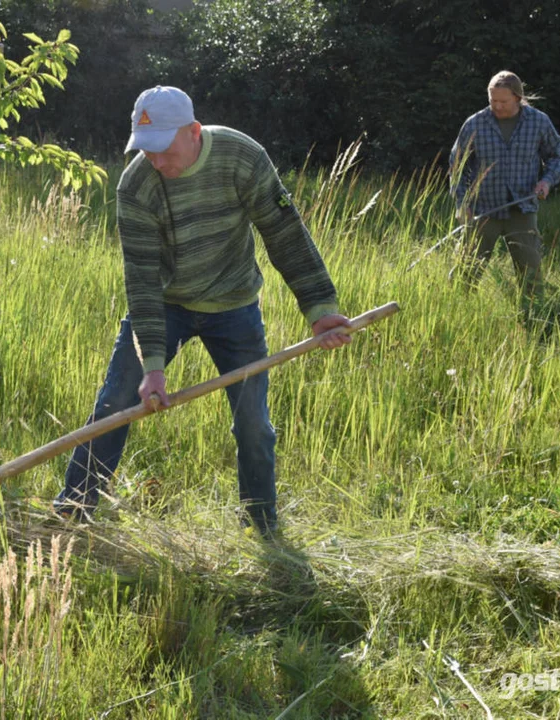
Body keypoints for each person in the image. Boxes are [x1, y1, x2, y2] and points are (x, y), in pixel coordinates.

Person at [53, 86, 353, 534]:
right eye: (144, 150)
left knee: (254, 424)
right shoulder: (136, 184)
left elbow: (284, 233)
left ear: (193, 132)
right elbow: (141, 280)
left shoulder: (242, 157)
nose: (155, 161)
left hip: (234, 306)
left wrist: (320, 308)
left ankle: (261, 524)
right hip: (166, 304)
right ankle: (73, 512)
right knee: (116, 400)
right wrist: (152, 366)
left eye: (162, 149)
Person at [449, 70, 560, 297]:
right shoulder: (475, 124)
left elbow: (557, 157)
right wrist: (462, 203)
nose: (498, 106)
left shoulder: (539, 122)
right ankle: (456, 314)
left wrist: (546, 181)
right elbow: (457, 167)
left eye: (503, 101)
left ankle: (533, 320)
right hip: (483, 210)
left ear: (517, 97)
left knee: (531, 279)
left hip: (522, 209)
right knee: (463, 275)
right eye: (493, 100)